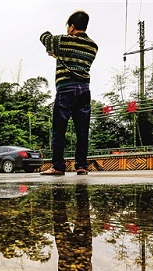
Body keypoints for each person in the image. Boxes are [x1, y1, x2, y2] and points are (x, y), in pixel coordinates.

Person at [39, 10, 98, 176]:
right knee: (82, 131)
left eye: (68, 27)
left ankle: (58, 166)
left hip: (66, 89)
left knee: (59, 130)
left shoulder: (62, 41)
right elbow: (76, 58)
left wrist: (57, 51)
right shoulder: (93, 46)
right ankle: (81, 166)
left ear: (72, 27)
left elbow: (44, 37)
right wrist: (60, 54)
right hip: (84, 90)